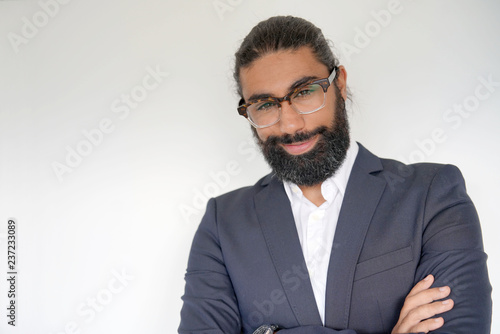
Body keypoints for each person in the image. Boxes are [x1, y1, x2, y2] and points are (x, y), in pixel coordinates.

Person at [178, 16, 492, 334]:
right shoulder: (223, 223)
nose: (289, 125)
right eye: (264, 105)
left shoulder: (431, 194)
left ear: (339, 83)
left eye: (304, 92)